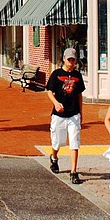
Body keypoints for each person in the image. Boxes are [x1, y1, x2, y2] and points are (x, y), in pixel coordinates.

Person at [46, 48, 86, 185]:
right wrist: (56, 103)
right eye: (69, 60)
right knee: (57, 141)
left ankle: (74, 172)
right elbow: (49, 91)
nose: (71, 63)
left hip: (73, 114)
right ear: (64, 59)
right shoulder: (56, 74)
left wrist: (81, 113)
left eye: (73, 60)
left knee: (74, 142)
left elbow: (79, 95)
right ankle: (54, 157)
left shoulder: (77, 76)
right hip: (59, 114)